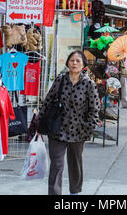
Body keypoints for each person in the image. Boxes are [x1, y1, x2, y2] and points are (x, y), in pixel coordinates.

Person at [37, 50, 100, 195]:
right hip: (57, 129)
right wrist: (39, 123)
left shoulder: (89, 84)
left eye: (78, 61)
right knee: (56, 164)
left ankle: (74, 192)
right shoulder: (60, 80)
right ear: (67, 63)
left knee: (75, 164)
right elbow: (48, 102)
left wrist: (89, 126)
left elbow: (94, 108)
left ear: (83, 64)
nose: (75, 63)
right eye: (72, 60)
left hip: (79, 131)